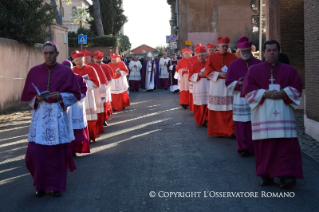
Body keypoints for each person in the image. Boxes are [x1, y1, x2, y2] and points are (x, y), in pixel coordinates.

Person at [21, 41, 81, 197]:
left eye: (51, 53)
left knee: (56, 154)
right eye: (45, 53)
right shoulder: (34, 71)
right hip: (40, 118)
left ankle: (56, 186)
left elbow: (75, 95)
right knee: (35, 154)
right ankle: (39, 185)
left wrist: (61, 96)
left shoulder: (66, 72)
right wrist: (37, 98)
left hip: (57, 117)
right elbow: (27, 96)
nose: (48, 56)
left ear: (57, 54)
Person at [241, 40, 303, 188]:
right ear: (264, 53)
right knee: (265, 146)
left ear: (279, 51)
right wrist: (264, 93)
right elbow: (247, 92)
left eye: (275, 50)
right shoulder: (254, 71)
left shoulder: (290, 70)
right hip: (263, 115)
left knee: (284, 146)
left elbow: (297, 88)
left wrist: (284, 93)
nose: (272, 53)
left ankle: (286, 176)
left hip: (283, 116)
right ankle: (266, 175)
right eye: (269, 50)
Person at [225, 36, 262, 157]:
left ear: (251, 50)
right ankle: (243, 148)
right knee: (241, 125)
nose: (245, 53)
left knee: (255, 123)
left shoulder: (259, 64)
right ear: (239, 52)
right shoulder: (233, 65)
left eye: (247, 50)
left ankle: (257, 147)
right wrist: (238, 84)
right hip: (240, 99)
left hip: (256, 98)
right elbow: (228, 83)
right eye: (243, 51)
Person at [204, 37, 237, 137]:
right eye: (223, 46)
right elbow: (207, 72)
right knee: (217, 109)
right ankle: (218, 130)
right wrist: (219, 74)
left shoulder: (233, 57)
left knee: (230, 108)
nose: (225, 48)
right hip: (217, 85)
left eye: (226, 46)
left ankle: (230, 130)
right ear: (218, 47)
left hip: (229, 86)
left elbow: (237, 70)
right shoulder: (211, 57)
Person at [62, 60, 90, 155]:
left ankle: (74, 149)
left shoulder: (79, 78)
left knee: (75, 127)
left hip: (75, 106)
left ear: (71, 67)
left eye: (68, 67)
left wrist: (73, 97)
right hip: (64, 107)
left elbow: (83, 91)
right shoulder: (59, 79)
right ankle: (64, 150)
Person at [72, 51, 100, 142]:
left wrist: (85, 82)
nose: (78, 62)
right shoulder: (72, 71)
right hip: (77, 98)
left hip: (88, 97)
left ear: (83, 59)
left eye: (80, 60)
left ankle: (91, 135)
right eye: (76, 60)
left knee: (89, 117)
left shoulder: (90, 68)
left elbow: (96, 83)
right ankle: (81, 138)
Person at [81, 50, 107, 135]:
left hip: (96, 91)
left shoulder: (95, 67)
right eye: (84, 58)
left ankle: (99, 127)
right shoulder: (78, 67)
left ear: (90, 58)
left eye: (87, 58)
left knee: (98, 110)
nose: (86, 60)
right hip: (85, 95)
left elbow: (102, 81)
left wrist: (103, 93)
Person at [189, 45, 209, 126]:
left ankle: (207, 119)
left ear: (205, 55)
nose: (201, 57)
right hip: (198, 87)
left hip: (208, 86)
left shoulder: (209, 63)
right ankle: (200, 120)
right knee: (199, 104)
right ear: (197, 56)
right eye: (199, 56)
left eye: (202, 56)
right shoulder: (194, 65)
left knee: (208, 104)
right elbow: (190, 76)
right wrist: (199, 75)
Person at [94, 51, 113, 125]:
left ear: (102, 60)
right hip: (94, 90)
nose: (98, 64)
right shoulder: (91, 67)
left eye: (99, 62)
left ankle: (103, 119)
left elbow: (110, 79)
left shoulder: (106, 67)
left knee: (103, 105)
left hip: (104, 89)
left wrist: (106, 86)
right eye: (96, 62)